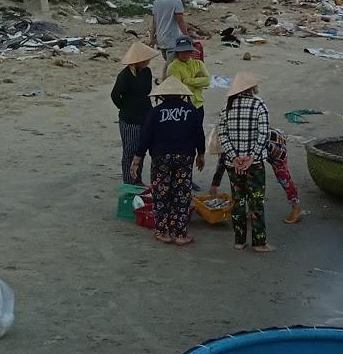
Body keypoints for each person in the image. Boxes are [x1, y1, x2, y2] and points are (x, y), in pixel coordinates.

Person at [132, 75, 204, 246]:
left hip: (160, 157)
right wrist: (201, 154)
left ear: (162, 95)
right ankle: (180, 234)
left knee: (161, 194)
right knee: (181, 195)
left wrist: (137, 158)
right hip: (184, 157)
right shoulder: (191, 111)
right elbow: (199, 134)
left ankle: (162, 232)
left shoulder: (155, 112)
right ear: (181, 94)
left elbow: (146, 136)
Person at [216, 72, 282, 252]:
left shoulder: (226, 108)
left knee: (238, 201)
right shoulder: (259, 105)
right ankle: (260, 243)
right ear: (252, 88)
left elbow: (222, 135)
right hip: (255, 164)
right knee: (256, 202)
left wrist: (235, 157)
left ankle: (239, 240)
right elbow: (264, 135)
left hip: (233, 164)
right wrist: (251, 156)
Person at [111, 41, 154, 184]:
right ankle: (129, 181)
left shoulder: (146, 72)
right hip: (129, 120)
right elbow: (115, 96)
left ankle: (138, 179)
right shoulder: (125, 76)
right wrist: (126, 107)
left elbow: (147, 91)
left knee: (140, 151)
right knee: (130, 152)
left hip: (145, 116)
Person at [152, 0, 190, 71]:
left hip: (161, 39)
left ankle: (166, 81)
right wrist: (187, 36)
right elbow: (180, 20)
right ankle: (166, 82)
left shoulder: (157, 2)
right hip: (173, 39)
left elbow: (154, 21)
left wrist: (152, 37)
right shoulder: (177, 2)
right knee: (172, 66)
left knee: (169, 63)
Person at [167, 34, 211, 108]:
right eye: (182, 51)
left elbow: (207, 81)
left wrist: (187, 81)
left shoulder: (198, 63)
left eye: (187, 51)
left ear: (191, 51)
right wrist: (198, 83)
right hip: (181, 104)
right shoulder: (173, 67)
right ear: (177, 52)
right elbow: (178, 88)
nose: (185, 54)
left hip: (198, 103)